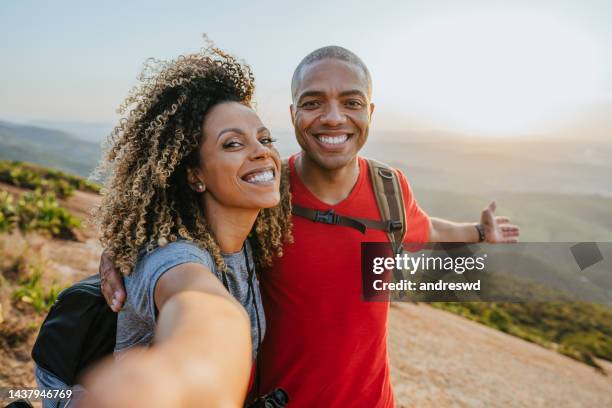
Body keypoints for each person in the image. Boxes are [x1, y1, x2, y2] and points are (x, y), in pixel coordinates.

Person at [100, 46, 520, 407]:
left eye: (352, 102)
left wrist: (481, 233)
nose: (334, 117)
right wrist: (125, 252)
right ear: (294, 113)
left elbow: (425, 228)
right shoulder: (260, 192)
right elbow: (196, 288)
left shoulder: (390, 188)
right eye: (314, 101)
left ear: (369, 112)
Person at [36, 44, 292, 408]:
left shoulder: (248, 240)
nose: (261, 151)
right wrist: (180, 375)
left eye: (265, 139)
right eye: (233, 143)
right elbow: (200, 305)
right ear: (195, 175)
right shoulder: (170, 255)